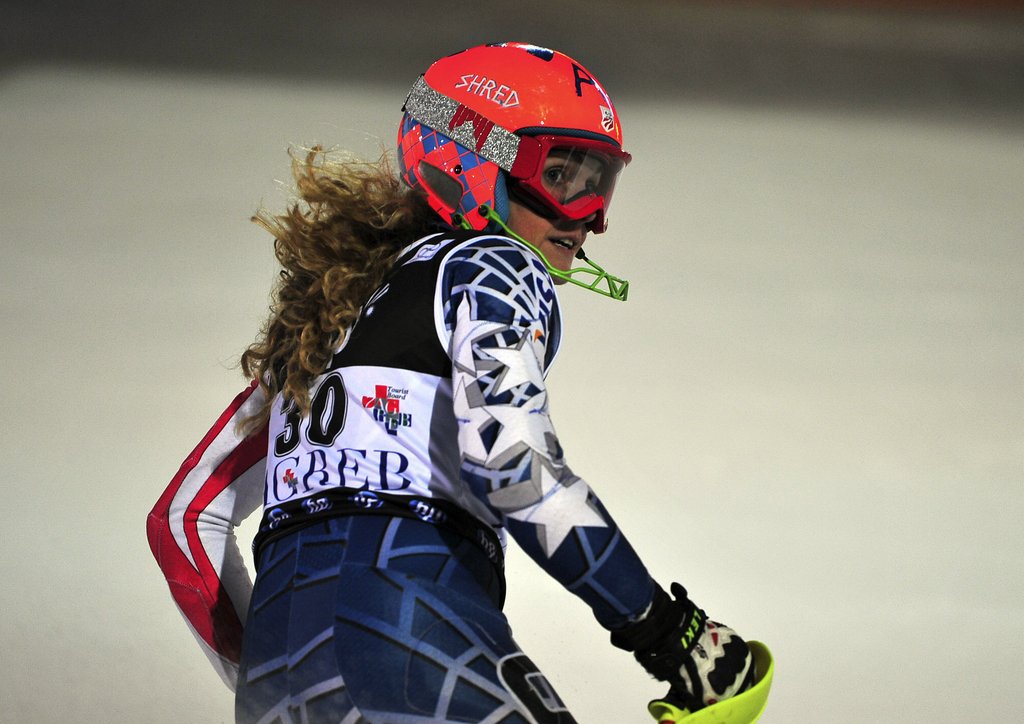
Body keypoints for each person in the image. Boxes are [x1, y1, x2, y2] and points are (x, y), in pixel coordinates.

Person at [147, 42, 755, 723]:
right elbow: (512, 469)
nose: (587, 215)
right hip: (412, 633)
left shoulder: (319, 316)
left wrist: (268, 673)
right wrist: (672, 637)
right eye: (561, 175)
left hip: (278, 682)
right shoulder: (493, 266)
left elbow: (181, 520)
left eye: (600, 183)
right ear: (471, 163)